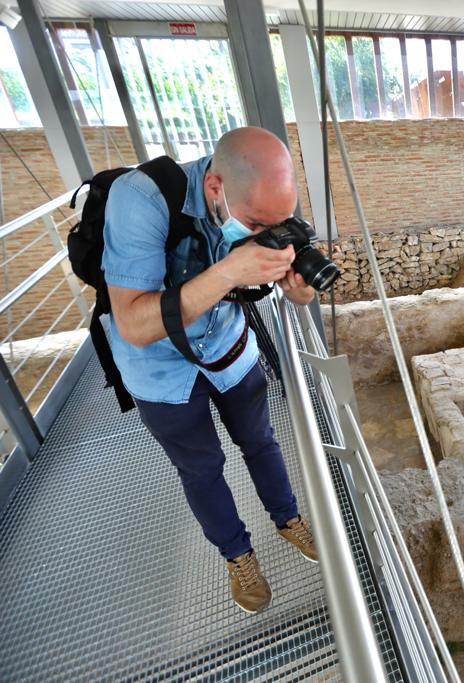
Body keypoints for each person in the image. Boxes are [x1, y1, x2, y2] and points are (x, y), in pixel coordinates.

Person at [102, 127, 318, 614]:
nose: (267, 233)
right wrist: (229, 271)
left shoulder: (261, 199)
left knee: (261, 440)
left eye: (278, 223)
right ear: (216, 189)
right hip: (159, 371)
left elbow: (286, 286)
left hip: (228, 348)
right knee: (202, 468)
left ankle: (287, 518)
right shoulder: (139, 200)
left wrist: (298, 290)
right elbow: (134, 324)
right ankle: (237, 554)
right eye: (260, 223)